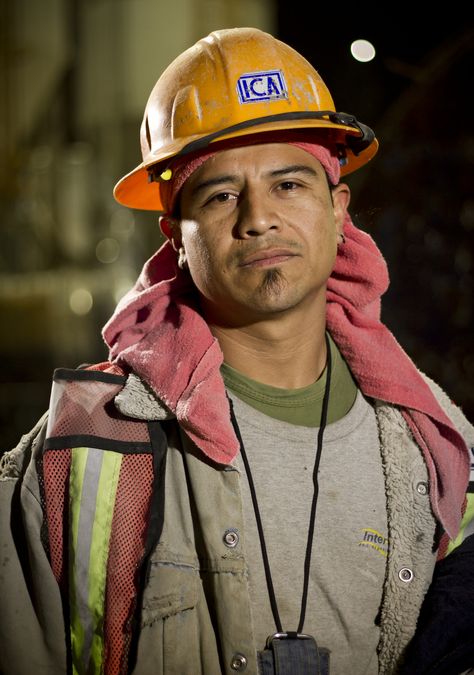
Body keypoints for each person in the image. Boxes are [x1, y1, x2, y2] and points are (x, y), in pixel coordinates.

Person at [0, 26, 473, 675]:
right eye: (221, 194)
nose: (257, 217)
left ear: (339, 209)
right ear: (176, 234)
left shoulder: (437, 440)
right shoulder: (85, 448)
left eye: (289, 184)